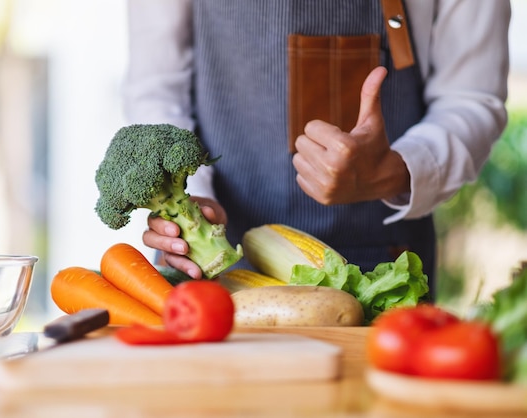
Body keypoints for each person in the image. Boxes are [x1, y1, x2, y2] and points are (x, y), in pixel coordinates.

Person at [122, 0, 511, 296]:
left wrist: (393, 170)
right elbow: (156, 90)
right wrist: (194, 207)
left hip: (378, 270)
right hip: (212, 272)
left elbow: (471, 98)